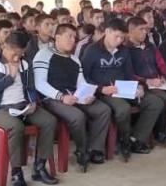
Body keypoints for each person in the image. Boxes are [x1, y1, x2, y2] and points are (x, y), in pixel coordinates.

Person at [81, 19, 164, 161]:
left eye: (122, 38)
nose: (119, 41)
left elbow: (129, 73)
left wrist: (138, 86)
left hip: (124, 88)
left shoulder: (124, 50)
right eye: (116, 36)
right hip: (104, 91)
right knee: (123, 109)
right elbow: (84, 77)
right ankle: (124, 140)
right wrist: (101, 89)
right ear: (107, 32)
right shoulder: (92, 50)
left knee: (155, 102)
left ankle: (136, 139)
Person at [0, 32, 58, 186]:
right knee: (16, 127)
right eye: (14, 53)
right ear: (4, 46)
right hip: (1, 108)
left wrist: (32, 102)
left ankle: (40, 167)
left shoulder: (25, 63)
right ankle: (17, 172)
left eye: (21, 53)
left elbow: (30, 88)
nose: (17, 57)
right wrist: (9, 78)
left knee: (49, 121)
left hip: (23, 105)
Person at [35, 24, 111, 172]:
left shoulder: (75, 59)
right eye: (69, 36)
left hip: (74, 96)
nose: (73, 40)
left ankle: (95, 149)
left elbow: (81, 83)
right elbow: (39, 83)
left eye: (74, 37)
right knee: (77, 116)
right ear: (57, 37)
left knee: (103, 110)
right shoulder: (44, 54)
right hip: (52, 98)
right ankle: (82, 151)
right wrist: (61, 96)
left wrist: (87, 95)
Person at [127, 16, 166, 148]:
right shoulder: (126, 49)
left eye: (146, 30)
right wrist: (146, 81)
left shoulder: (150, 46)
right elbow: (128, 73)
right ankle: (159, 132)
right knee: (162, 98)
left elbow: (161, 63)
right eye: (141, 30)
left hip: (159, 81)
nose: (145, 32)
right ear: (131, 31)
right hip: (142, 84)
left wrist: (162, 76)